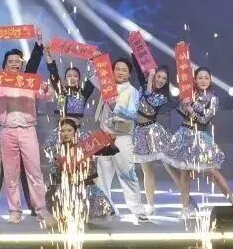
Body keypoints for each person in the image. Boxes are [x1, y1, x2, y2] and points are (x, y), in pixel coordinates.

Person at [0, 47, 51, 224]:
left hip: (28, 129)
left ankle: (41, 209)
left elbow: (47, 96)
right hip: (7, 130)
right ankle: (14, 211)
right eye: (11, 61)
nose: (15, 64)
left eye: (18, 61)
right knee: (11, 174)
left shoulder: (29, 81)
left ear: (22, 64)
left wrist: (46, 88)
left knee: (34, 171)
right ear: (5, 65)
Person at [162, 67, 233, 217]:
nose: (203, 81)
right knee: (184, 173)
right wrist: (184, 102)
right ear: (195, 80)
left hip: (200, 137)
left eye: (206, 78)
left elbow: (204, 120)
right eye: (200, 78)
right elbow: (181, 111)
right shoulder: (189, 94)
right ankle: (185, 208)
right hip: (184, 135)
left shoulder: (213, 98)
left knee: (213, 172)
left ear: (210, 80)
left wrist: (190, 109)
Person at [94, 57, 148, 222]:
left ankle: (137, 210)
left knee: (127, 174)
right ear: (112, 71)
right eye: (117, 69)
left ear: (129, 74)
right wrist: (95, 60)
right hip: (104, 135)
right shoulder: (106, 86)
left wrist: (115, 106)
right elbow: (94, 76)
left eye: (124, 70)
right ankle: (104, 208)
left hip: (122, 136)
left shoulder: (132, 91)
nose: (120, 72)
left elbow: (132, 114)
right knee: (101, 175)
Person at [45, 118, 115, 230]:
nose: (66, 133)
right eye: (63, 131)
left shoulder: (85, 144)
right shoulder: (56, 148)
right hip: (64, 186)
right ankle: (64, 216)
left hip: (84, 185)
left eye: (69, 130)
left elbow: (103, 149)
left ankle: (82, 216)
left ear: (75, 131)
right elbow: (55, 172)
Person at [131, 57, 178, 215]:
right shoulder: (145, 85)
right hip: (140, 133)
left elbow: (149, 95)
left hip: (154, 133)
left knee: (171, 168)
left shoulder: (162, 97)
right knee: (147, 171)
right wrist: (135, 51)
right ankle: (150, 205)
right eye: (159, 76)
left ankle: (186, 199)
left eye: (164, 78)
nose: (161, 80)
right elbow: (139, 70)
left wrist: (150, 76)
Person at [42, 43, 96, 158]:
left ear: (79, 79)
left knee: (79, 159)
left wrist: (92, 62)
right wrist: (48, 56)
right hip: (61, 131)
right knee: (56, 156)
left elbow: (91, 79)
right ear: (65, 78)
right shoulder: (61, 91)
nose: (72, 78)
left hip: (77, 132)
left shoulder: (83, 93)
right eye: (69, 76)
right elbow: (54, 74)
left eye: (75, 76)